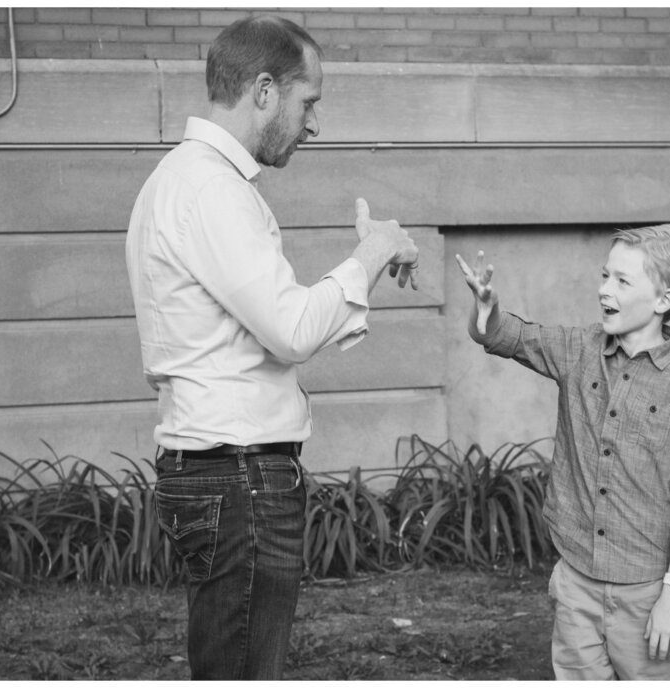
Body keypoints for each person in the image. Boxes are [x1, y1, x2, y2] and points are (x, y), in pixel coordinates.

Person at [125, 16, 419, 680]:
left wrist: (360, 272)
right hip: (238, 483)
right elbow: (290, 329)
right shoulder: (212, 191)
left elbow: (262, 334)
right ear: (264, 90)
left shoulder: (180, 181)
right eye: (308, 101)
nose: (313, 123)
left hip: (221, 476)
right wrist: (371, 253)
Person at [456, 224, 670, 680]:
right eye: (604, 276)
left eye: (622, 281)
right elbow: (510, 337)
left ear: (663, 301)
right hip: (576, 580)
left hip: (647, 591)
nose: (604, 290)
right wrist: (486, 311)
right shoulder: (580, 349)